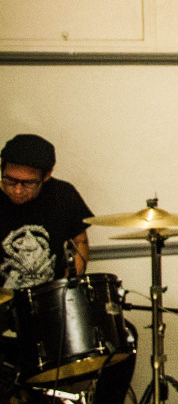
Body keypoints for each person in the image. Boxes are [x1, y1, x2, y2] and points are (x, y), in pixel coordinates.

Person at [0, 133, 136, 402]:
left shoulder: (63, 195)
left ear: (47, 175)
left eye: (28, 183)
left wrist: (70, 287)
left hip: (50, 307)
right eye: (10, 180)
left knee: (124, 337)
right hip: (5, 308)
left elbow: (79, 241)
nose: (17, 189)